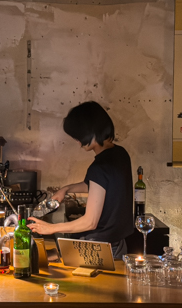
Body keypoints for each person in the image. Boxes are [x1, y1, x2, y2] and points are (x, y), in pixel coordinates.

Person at [27, 101, 134, 259]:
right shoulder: (120, 154)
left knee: (42, 261)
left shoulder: (99, 167)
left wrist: (51, 228)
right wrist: (66, 189)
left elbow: (90, 222)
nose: (78, 143)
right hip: (118, 245)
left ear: (89, 131)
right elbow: (100, 186)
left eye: (78, 137)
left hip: (99, 250)